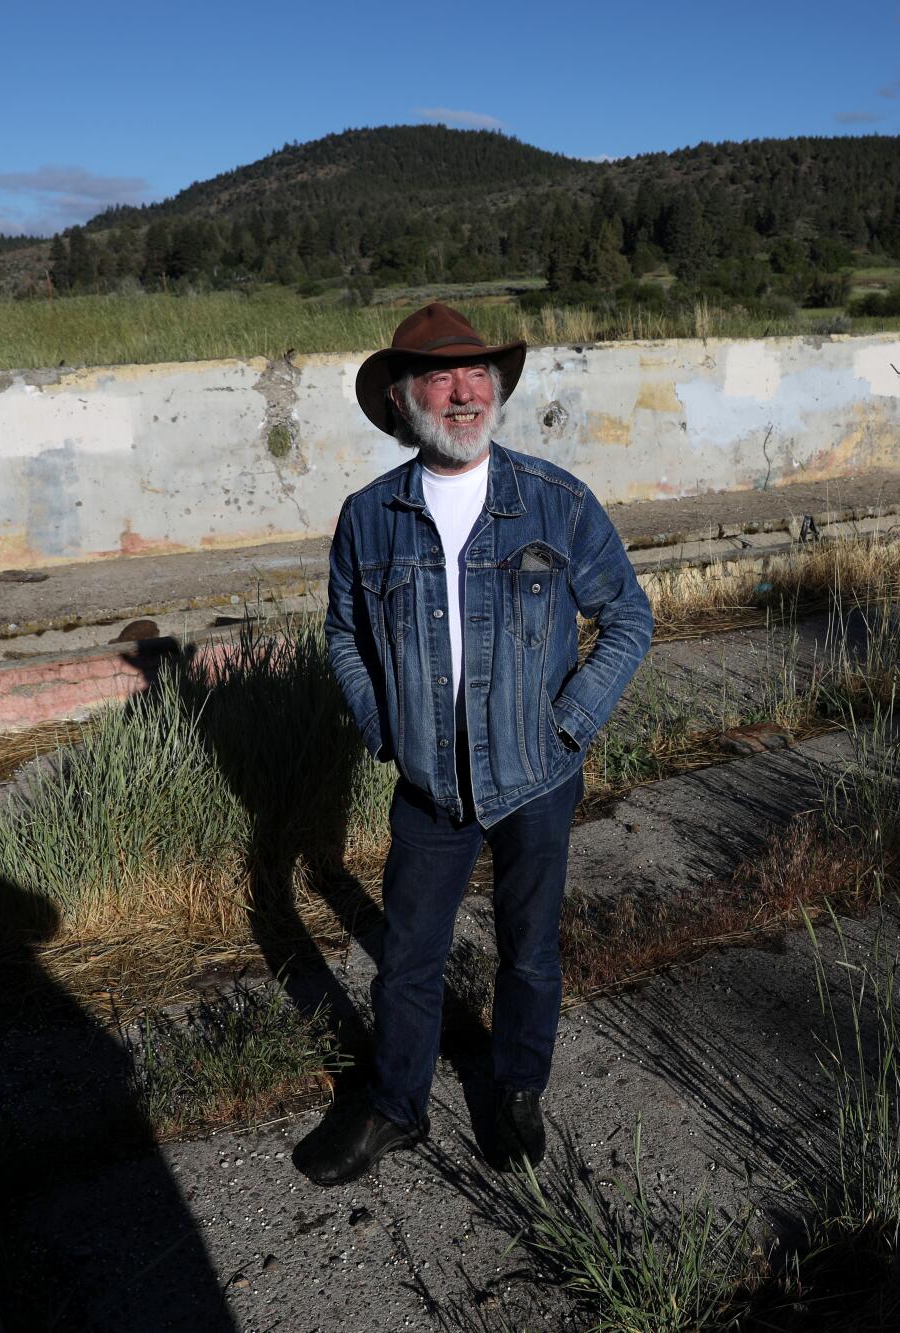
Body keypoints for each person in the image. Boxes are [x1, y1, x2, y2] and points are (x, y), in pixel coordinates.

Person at [294, 303, 652, 1185]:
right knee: (407, 959)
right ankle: (396, 1105)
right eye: (439, 376)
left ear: (495, 389)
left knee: (529, 948)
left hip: (536, 777)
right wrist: (382, 725)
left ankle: (518, 1086)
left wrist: (567, 724)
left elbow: (628, 618)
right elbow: (342, 633)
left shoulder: (556, 502)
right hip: (426, 788)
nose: (462, 391)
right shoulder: (371, 517)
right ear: (405, 397)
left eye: (475, 374)